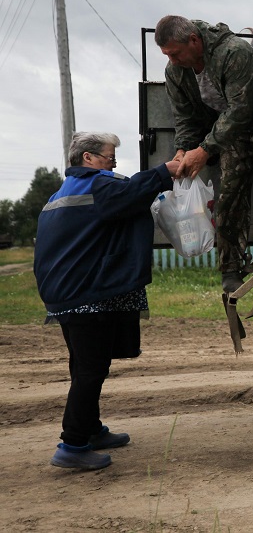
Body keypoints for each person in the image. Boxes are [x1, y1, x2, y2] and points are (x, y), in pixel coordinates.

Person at [34, 132, 180, 470]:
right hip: (85, 295)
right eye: (108, 156)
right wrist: (166, 171)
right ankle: (72, 445)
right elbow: (130, 193)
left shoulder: (62, 192)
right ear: (87, 158)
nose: (113, 163)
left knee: (83, 364)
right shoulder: (97, 186)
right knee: (90, 369)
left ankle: (91, 429)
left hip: (64, 293)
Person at [154, 15, 253, 292]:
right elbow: (184, 117)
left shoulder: (233, 52)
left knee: (230, 187)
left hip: (252, 125)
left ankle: (230, 267)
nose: (171, 60)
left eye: (175, 53)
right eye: (166, 55)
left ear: (194, 41)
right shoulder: (175, 71)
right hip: (215, 125)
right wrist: (184, 148)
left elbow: (240, 112)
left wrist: (205, 150)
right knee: (178, 172)